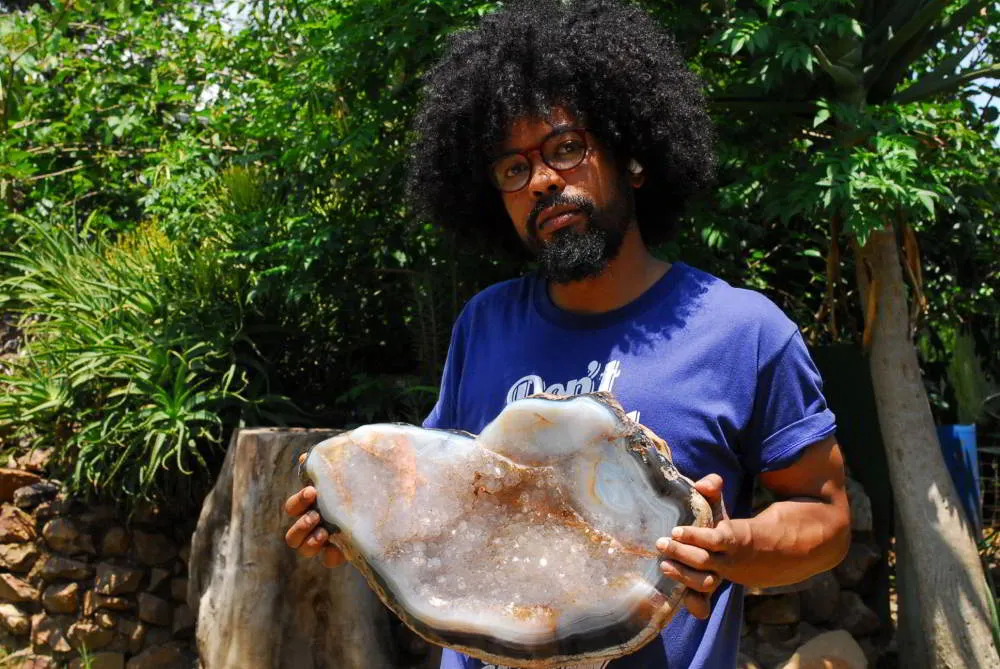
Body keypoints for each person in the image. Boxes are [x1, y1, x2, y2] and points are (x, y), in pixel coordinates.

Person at [284, 1, 851, 667]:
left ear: (633, 155)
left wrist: (734, 547)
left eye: (566, 148)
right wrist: (355, 516)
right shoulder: (484, 323)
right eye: (513, 169)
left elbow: (826, 516)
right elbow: (442, 499)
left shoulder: (744, 332)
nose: (543, 182)